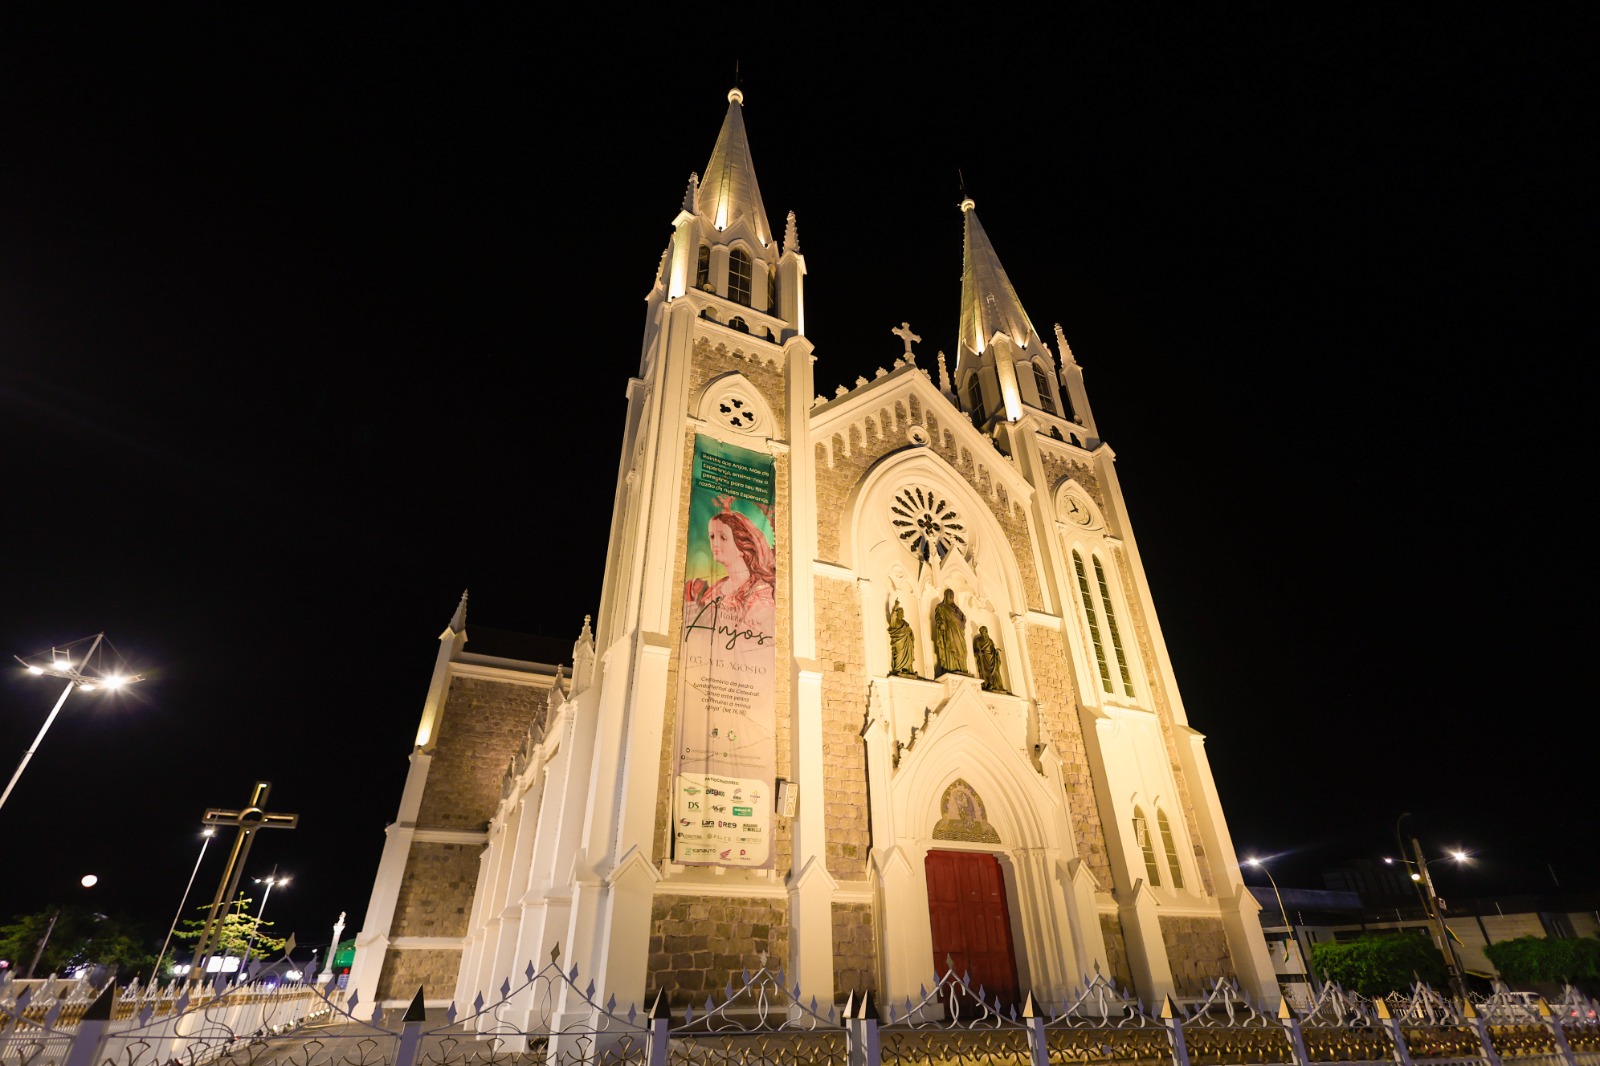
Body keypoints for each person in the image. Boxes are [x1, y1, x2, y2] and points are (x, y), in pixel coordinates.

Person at [700, 508, 776, 638]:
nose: (715, 544)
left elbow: (751, 639)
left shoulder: (760, 595)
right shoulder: (716, 590)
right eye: (712, 536)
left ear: (741, 546)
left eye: (723, 538)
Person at [932, 589, 967, 675]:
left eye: (952, 595)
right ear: (945, 596)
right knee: (950, 647)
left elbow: (963, 619)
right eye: (949, 595)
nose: (951, 597)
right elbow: (938, 617)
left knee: (961, 650)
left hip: (958, 632)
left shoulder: (957, 609)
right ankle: (951, 667)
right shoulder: (941, 607)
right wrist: (941, 623)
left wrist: (962, 619)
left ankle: (962, 668)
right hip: (949, 631)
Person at [973, 625, 1009, 693]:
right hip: (984, 658)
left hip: (992, 657)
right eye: (981, 632)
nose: (983, 633)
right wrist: (980, 652)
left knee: (995, 671)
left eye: (984, 631)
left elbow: (992, 648)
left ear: (986, 631)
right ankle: (989, 684)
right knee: (987, 671)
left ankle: (997, 685)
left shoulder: (990, 640)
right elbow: (976, 650)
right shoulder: (978, 640)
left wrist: (996, 651)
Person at [888, 601, 917, 676]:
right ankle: (898, 669)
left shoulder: (905, 623)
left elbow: (910, 631)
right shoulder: (895, 622)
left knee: (908, 655)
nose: (902, 613)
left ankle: (906, 669)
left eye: (902, 612)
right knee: (899, 654)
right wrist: (896, 607)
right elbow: (893, 617)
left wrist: (910, 635)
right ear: (897, 613)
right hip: (899, 641)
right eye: (900, 612)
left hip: (907, 641)